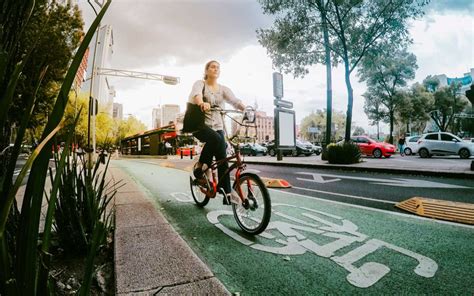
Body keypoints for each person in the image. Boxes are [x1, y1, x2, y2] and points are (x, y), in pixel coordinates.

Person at [188, 60, 246, 205]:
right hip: (201, 125)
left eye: (218, 67)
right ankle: (200, 167)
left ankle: (226, 192)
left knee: (222, 156)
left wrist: (244, 108)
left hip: (219, 126)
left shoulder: (223, 89)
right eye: (212, 67)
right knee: (217, 140)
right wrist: (202, 102)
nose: (216, 69)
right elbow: (196, 95)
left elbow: (234, 100)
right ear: (206, 70)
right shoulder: (200, 84)